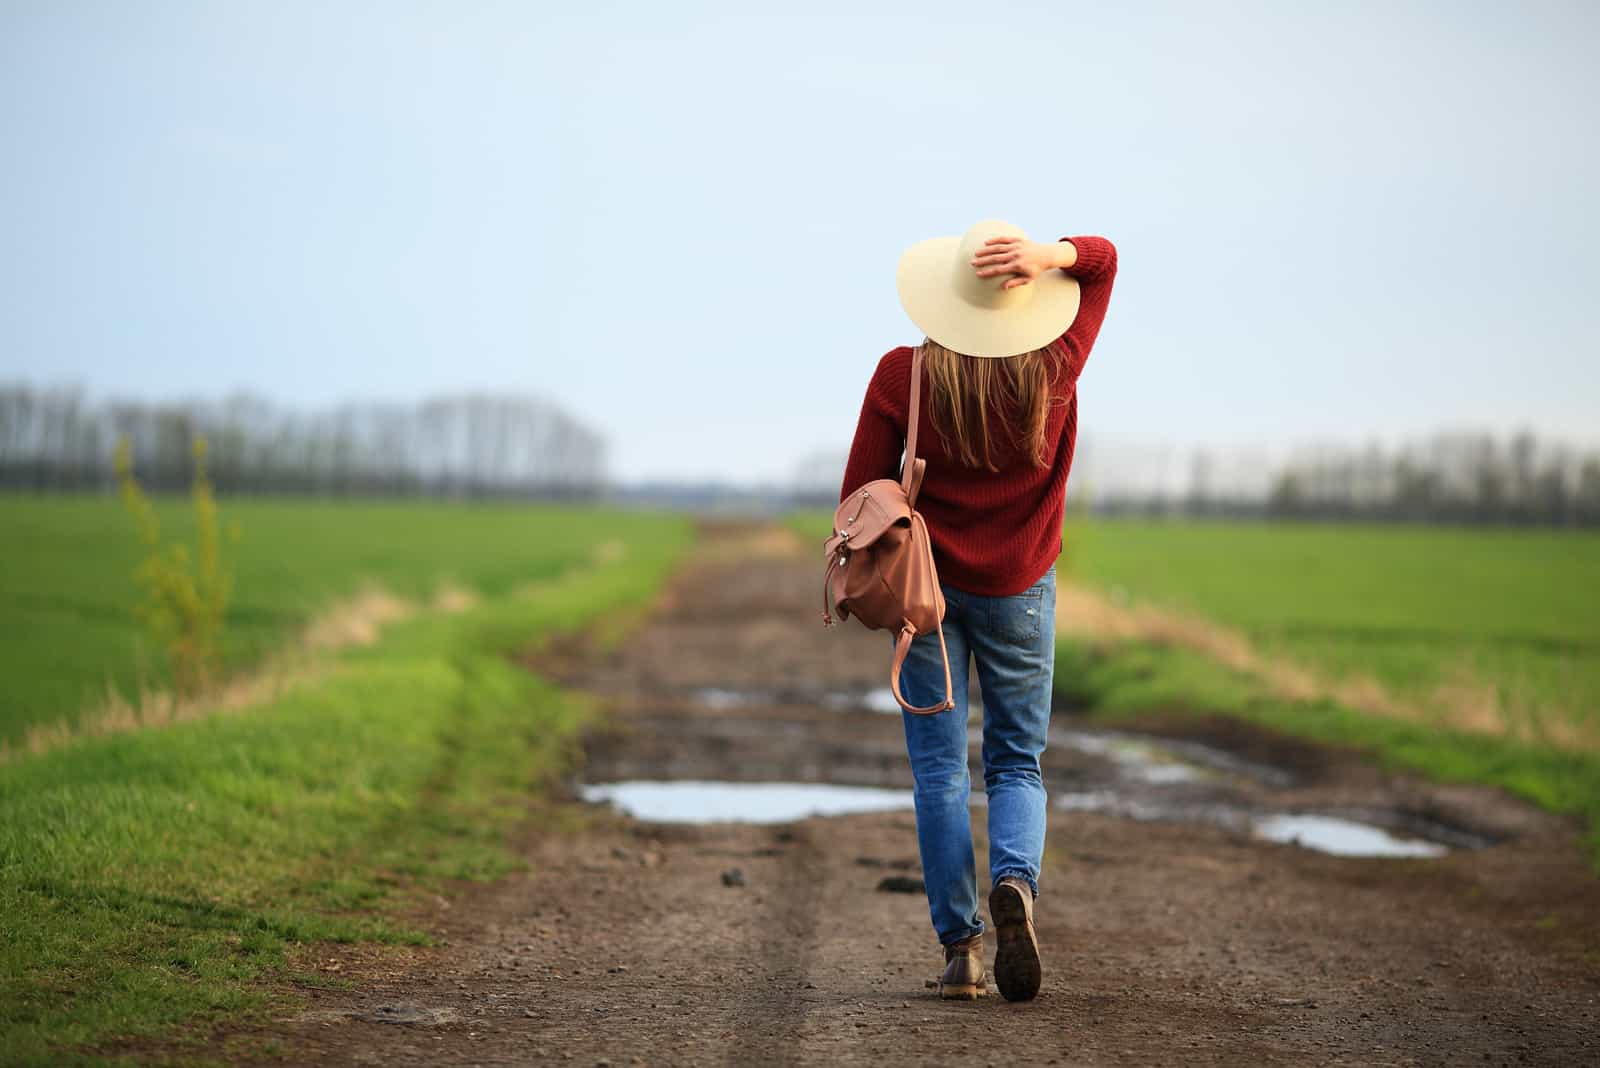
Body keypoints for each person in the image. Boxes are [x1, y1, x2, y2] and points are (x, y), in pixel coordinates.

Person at [838, 220, 1118, 1001]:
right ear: (1024, 298)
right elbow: (1105, 261)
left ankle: (961, 953)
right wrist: (1052, 256)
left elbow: (861, 494)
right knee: (1016, 762)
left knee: (938, 769)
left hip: (924, 593)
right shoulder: (1057, 366)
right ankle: (1016, 886)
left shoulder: (904, 375)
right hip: (1023, 588)